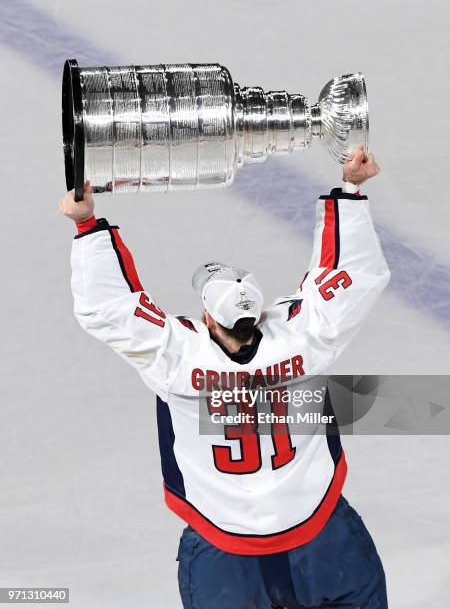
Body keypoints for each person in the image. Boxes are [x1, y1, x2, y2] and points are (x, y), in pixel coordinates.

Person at [59, 146, 390, 608]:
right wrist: (351, 189)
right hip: (320, 530)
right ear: (261, 314)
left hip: (222, 543)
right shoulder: (302, 338)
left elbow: (109, 310)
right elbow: (352, 274)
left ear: (206, 319)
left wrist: (86, 224)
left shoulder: (179, 358)